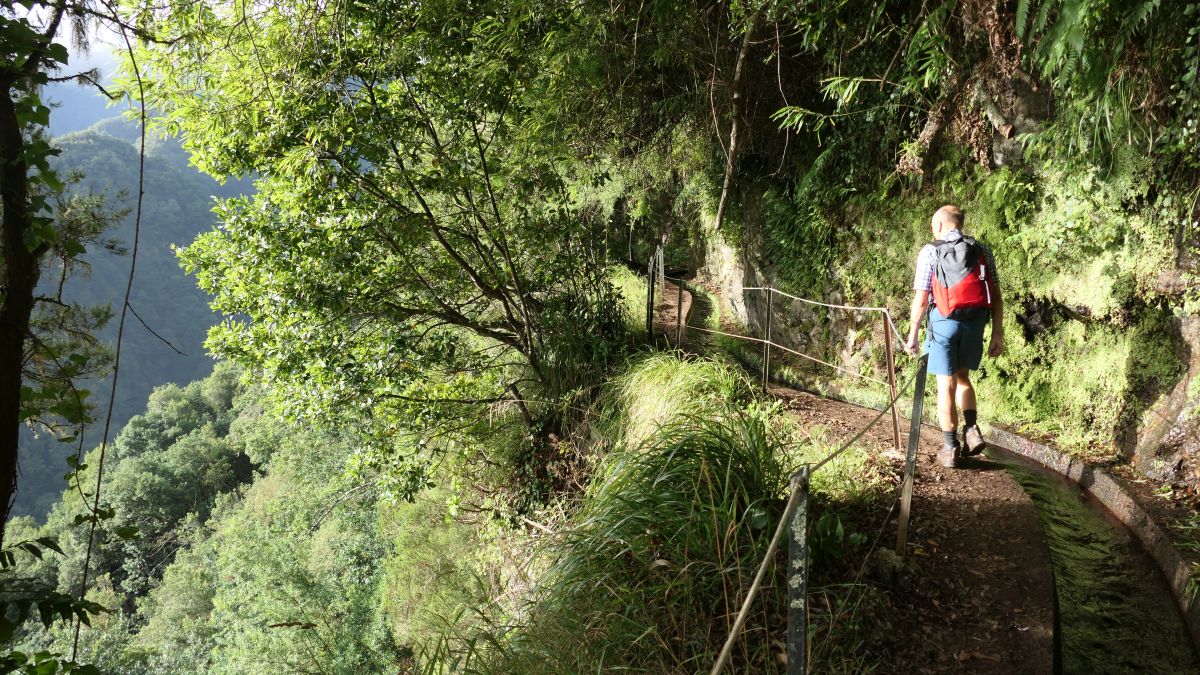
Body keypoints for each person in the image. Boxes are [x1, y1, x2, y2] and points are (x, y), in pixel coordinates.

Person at [904, 205, 1004, 468]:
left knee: (944, 383)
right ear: (960, 224)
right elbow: (995, 295)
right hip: (975, 323)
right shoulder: (981, 250)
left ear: (938, 225)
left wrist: (913, 333)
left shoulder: (930, 252)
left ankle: (950, 447)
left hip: (943, 324)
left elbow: (922, 298)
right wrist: (998, 332)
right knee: (963, 378)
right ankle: (971, 429)